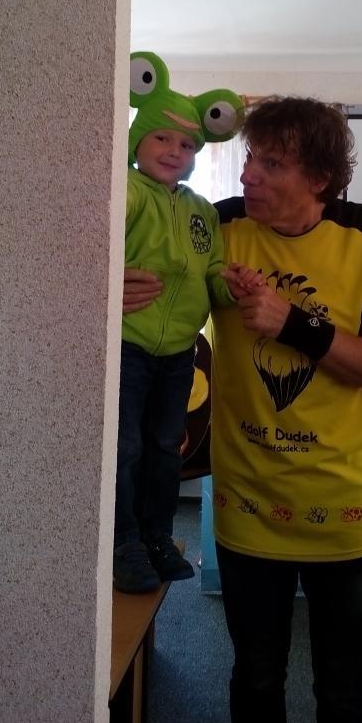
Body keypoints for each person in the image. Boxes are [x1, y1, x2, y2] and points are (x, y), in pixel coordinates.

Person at [123, 95, 362, 723]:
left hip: (343, 509)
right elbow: (147, 281)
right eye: (250, 157)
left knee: (344, 689)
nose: (247, 174)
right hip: (248, 508)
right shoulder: (216, 223)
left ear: (319, 178)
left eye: (272, 163)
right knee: (256, 677)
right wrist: (109, 287)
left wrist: (296, 326)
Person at [114, 51, 260, 594]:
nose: (175, 151)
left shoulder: (202, 210)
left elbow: (211, 272)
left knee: (165, 446)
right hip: (127, 346)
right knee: (125, 448)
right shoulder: (127, 191)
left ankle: (156, 535)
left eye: (188, 145)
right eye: (162, 138)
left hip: (179, 350)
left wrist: (232, 286)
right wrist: (104, 283)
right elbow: (89, 247)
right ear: (137, 141)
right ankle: (123, 542)